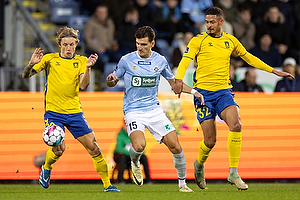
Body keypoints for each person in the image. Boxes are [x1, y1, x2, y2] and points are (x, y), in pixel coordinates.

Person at [172, 7, 294, 191]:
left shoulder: (230, 40)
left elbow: (249, 58)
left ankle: (233, 172)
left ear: (221, 22)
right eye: (207, 22)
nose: (209, 26)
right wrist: (179, 80)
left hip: (223, 92)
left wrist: (273, 70)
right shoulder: (198, 40)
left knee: (236, 124)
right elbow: (184, 60)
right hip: (203, 94)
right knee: (210, 141)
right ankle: (199, 164)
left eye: (212, 22)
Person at [22, 27, 121, 192]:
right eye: (65, 45)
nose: (69, 48)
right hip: (54, 113)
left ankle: (107, 185)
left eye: (72, 45)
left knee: (94, 147)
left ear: (76, 44)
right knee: (59, 150)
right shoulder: (49, 59)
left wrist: (88, 67)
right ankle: (46, 168)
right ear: (59, 44)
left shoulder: (82, 61)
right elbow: (26, 75)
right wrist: (31, 64)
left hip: (74, 113)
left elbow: (84, 85)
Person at [106, 26, 204, 192]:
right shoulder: (127, 60)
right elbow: (112, 79)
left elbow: (175, 84)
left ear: (152, 43)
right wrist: (111, 80)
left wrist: (194, 92)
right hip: (133, 110)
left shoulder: (160, 61)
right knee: (139, 146)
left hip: (154, 110)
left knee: (175, 145)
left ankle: (182, 184)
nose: (140, 47)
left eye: (144, 44)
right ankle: (135, 162)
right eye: (138, 44)